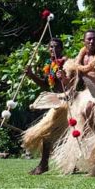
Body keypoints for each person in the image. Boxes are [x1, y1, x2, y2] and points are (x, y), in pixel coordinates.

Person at [52, 30, 95, 177]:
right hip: (85, 94)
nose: (92, 42)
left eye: (94, 39)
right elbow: (71, 82)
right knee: (84, 131)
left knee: (91, 114)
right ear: (84, 41)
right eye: (89, 39)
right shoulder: (79, 59)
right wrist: (62, 78)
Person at [22, 38, 71, 175]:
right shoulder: (50, 64)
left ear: (61, 49)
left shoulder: (66, 63)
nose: (52, 49)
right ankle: (48, 164)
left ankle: (44, 165)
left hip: (66, 103)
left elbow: (73, 82)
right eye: (50, 47)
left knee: (50, 134)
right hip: (55, 104)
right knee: (54, 136)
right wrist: (31, 76)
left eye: (56, 47)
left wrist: (64, 77)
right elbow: (45, 84)